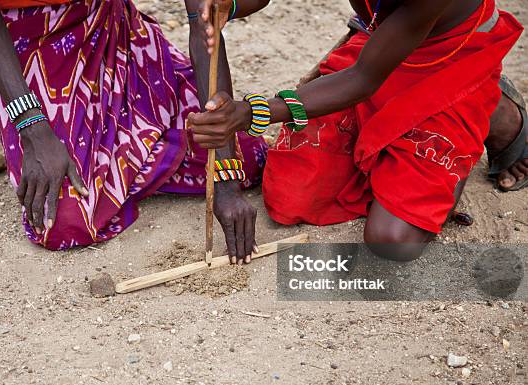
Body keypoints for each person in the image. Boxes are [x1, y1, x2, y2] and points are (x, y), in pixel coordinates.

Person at [188, 0, 525, 261]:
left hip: (447, 55)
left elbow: (363, 79)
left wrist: (250, 112)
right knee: (290, 197)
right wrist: (220, 7)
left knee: (392, 241)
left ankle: (485, 99)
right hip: (383, 44)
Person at [0, 0, 268, 263]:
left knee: (249, 157)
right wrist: (32, 128)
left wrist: (225, 179)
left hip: (108, 29)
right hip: (28, 40)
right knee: (65, 219)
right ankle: (125, 148)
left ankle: (124, 150)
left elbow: (205, 18)